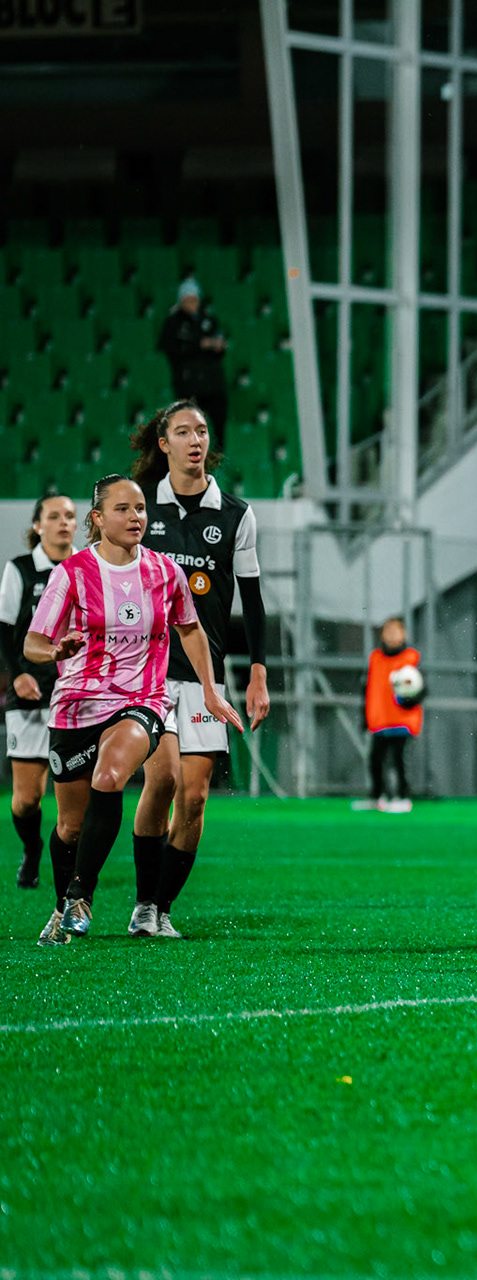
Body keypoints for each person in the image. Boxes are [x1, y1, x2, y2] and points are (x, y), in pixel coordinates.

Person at [23, 475, 242, 946]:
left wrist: (209, 689)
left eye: (141, 508)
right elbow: (33, 643)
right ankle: (63, 909)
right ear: (98, 519)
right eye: (123, 509)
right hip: (76, 705)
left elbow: (191, 630)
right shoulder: (73, 573)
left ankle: (89, 897)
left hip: (140, 701)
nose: (136, 517)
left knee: (112, 776)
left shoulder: (165, 572)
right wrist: (57, 651)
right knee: (69, 826)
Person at [127, 400, 271, 938]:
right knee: (161, 778)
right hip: (147, 673)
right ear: (162, 444)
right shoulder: (140, 507)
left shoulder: (236, 514)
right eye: (183, 431)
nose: (195, 440)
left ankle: (161, 907)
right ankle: (142, 903)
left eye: (203, 431)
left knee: (195, 796)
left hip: (206, 677)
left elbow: (252, 602)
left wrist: (258, 672)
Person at [2, 494, 77, 892]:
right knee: (27, 799)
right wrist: (15, 676)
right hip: (31, 693)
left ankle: (78, 871)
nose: (63, 522)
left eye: (69, 516)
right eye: (54, 516)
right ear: (37, 525)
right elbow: (3, 630)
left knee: (82, 795)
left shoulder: (89, 566)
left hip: (78, 692)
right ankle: (32, 850)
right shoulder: (20, 570)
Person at [156, 278, 228, 449]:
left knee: (218, 422)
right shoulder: (173, 323)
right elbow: (171, 348)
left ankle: (218, 455)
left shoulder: (208, 319)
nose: (192, 304)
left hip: (212, 383)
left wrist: (218, 346)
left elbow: (220, 346)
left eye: (194, 300)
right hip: (188, 385)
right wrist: (199, 345)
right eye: (188, 300)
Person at [364, 617, 425, 812]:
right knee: (375, 759)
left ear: (403, 634)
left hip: (402, 721)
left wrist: (409, 700)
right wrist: (364, 717)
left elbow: (421, 689)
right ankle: (377, 797)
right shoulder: (375, 658)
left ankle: (403, 797)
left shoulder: (411, 658)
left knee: (399, 761)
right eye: (387, 631)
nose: (391, 635)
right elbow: (368, 689)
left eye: (395, 631)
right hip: (380, 720)